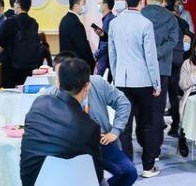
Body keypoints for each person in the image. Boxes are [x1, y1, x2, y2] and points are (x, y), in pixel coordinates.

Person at [48, 52, 136, 186]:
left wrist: (116, 130)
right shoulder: (50, 96)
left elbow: (123, 103)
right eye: (59, 75)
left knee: (129, 172)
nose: (63, 80)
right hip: (69, 148)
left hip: (100, 143)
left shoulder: (96, 84)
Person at [20, 58, 102, 186]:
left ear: (58, 82)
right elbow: (96, 174)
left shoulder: (39, 103)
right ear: (87, 86)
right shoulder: (90, 126)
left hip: (32, 181)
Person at [108, 0, 161, 178]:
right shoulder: (145, 24)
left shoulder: (114, 23)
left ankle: (127, 168)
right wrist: (156, 83)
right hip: (143, 81)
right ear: (142, 0)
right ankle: (148, 167)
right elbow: (151, 57)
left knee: (124, 126)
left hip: (122, 80)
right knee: (146, 124)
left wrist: (116, 76)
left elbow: (112, 54)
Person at [141, 0, 180, 150]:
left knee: (143, 109)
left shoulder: (140, 15)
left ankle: (144, 143)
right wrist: (158, 52)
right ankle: (155, 147)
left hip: (142, 69)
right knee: (158, 110)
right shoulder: (171, 18)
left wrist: (149, 54)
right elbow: (173, 41)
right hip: (163, 69)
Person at [0, 0, 40, 87]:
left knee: (9, 92)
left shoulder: (10, 21)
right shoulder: (34, 23)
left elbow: (2, 42)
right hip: (28, 66)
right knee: (25, 91)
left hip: (11, 66)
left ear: (18, 5)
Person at [163, 0, 193, 136]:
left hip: (163, 61)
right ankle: (175, 126)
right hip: (177, 61)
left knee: (159, 94)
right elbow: (190, 37)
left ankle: (160, 123)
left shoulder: (161, 21)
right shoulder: (182, 22)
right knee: (173, 94)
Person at [177, 33, 196, 157]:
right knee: (192, 105)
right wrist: (194, 74)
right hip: (191, 94)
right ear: (194, 49)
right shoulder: (187, 63)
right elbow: (182, 85)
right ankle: (182, 137)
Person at [59, 0, 95, 71]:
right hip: (76, 68)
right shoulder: (75, 23)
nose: (85, 5)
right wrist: (92, 63)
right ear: (76, 5)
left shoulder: (65, 19)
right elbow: (83, 47)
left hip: (67, 66)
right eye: (84, 3)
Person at [93, 0, 115, 78]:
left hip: (105, 57)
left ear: (105, 5)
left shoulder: (109, 20)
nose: (98, 5)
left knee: (97, 79)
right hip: (105, 57)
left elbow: (107, 42)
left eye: (100, 3)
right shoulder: (107, 19)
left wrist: (97, 53)